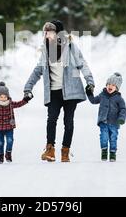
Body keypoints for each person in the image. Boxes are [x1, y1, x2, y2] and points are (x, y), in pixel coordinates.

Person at [23, 20, 95, 162]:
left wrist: (90, 82)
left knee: (68, 122)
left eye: (50, 31)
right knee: (51, 120)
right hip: (54, 91)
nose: (46, 34)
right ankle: (50, 150)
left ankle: (65, 151)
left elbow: (83, 64)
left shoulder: (70, 47)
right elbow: (38, 70)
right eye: (46, 32)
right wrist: (28, 87)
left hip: (71, 91)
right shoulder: (46, 50)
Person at [0, 82, 32, 164]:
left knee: (10, 140)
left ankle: (8, 153)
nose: (3, 98)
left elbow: (19, 104)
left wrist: (26, 99)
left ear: (7, 96)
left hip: (9, 126)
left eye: (5, 96)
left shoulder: (10, 104)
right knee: (0, 142)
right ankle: (0, 156)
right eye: (1, 97)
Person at [86, 72, 126, 162]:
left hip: (114, 123)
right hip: (103, 122)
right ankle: (104, 151)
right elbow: (93, 101)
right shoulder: (102, 95)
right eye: (108, 84)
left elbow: (123, 109)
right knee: (104, 137)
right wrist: (89, 93)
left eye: (113, 85)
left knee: (113, 138)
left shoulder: (119, 99)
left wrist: (121, 118)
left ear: (117, 87)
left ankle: (112, 153)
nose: (110, 86)